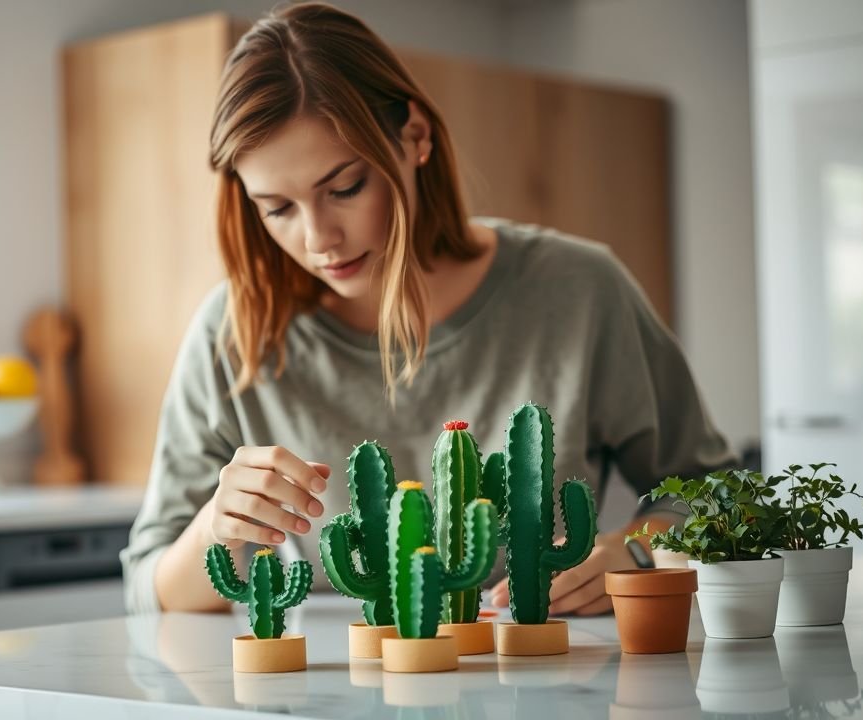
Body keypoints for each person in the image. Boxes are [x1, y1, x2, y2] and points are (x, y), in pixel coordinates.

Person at [121, 2, 735, 617]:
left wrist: (636, 553)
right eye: (277, 208)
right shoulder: (230, 332)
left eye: (344, 188)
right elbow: (147, 587)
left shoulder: (580, 288)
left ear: (414, 137)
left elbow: (720, 494)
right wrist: (216, 529)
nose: (318, 239)